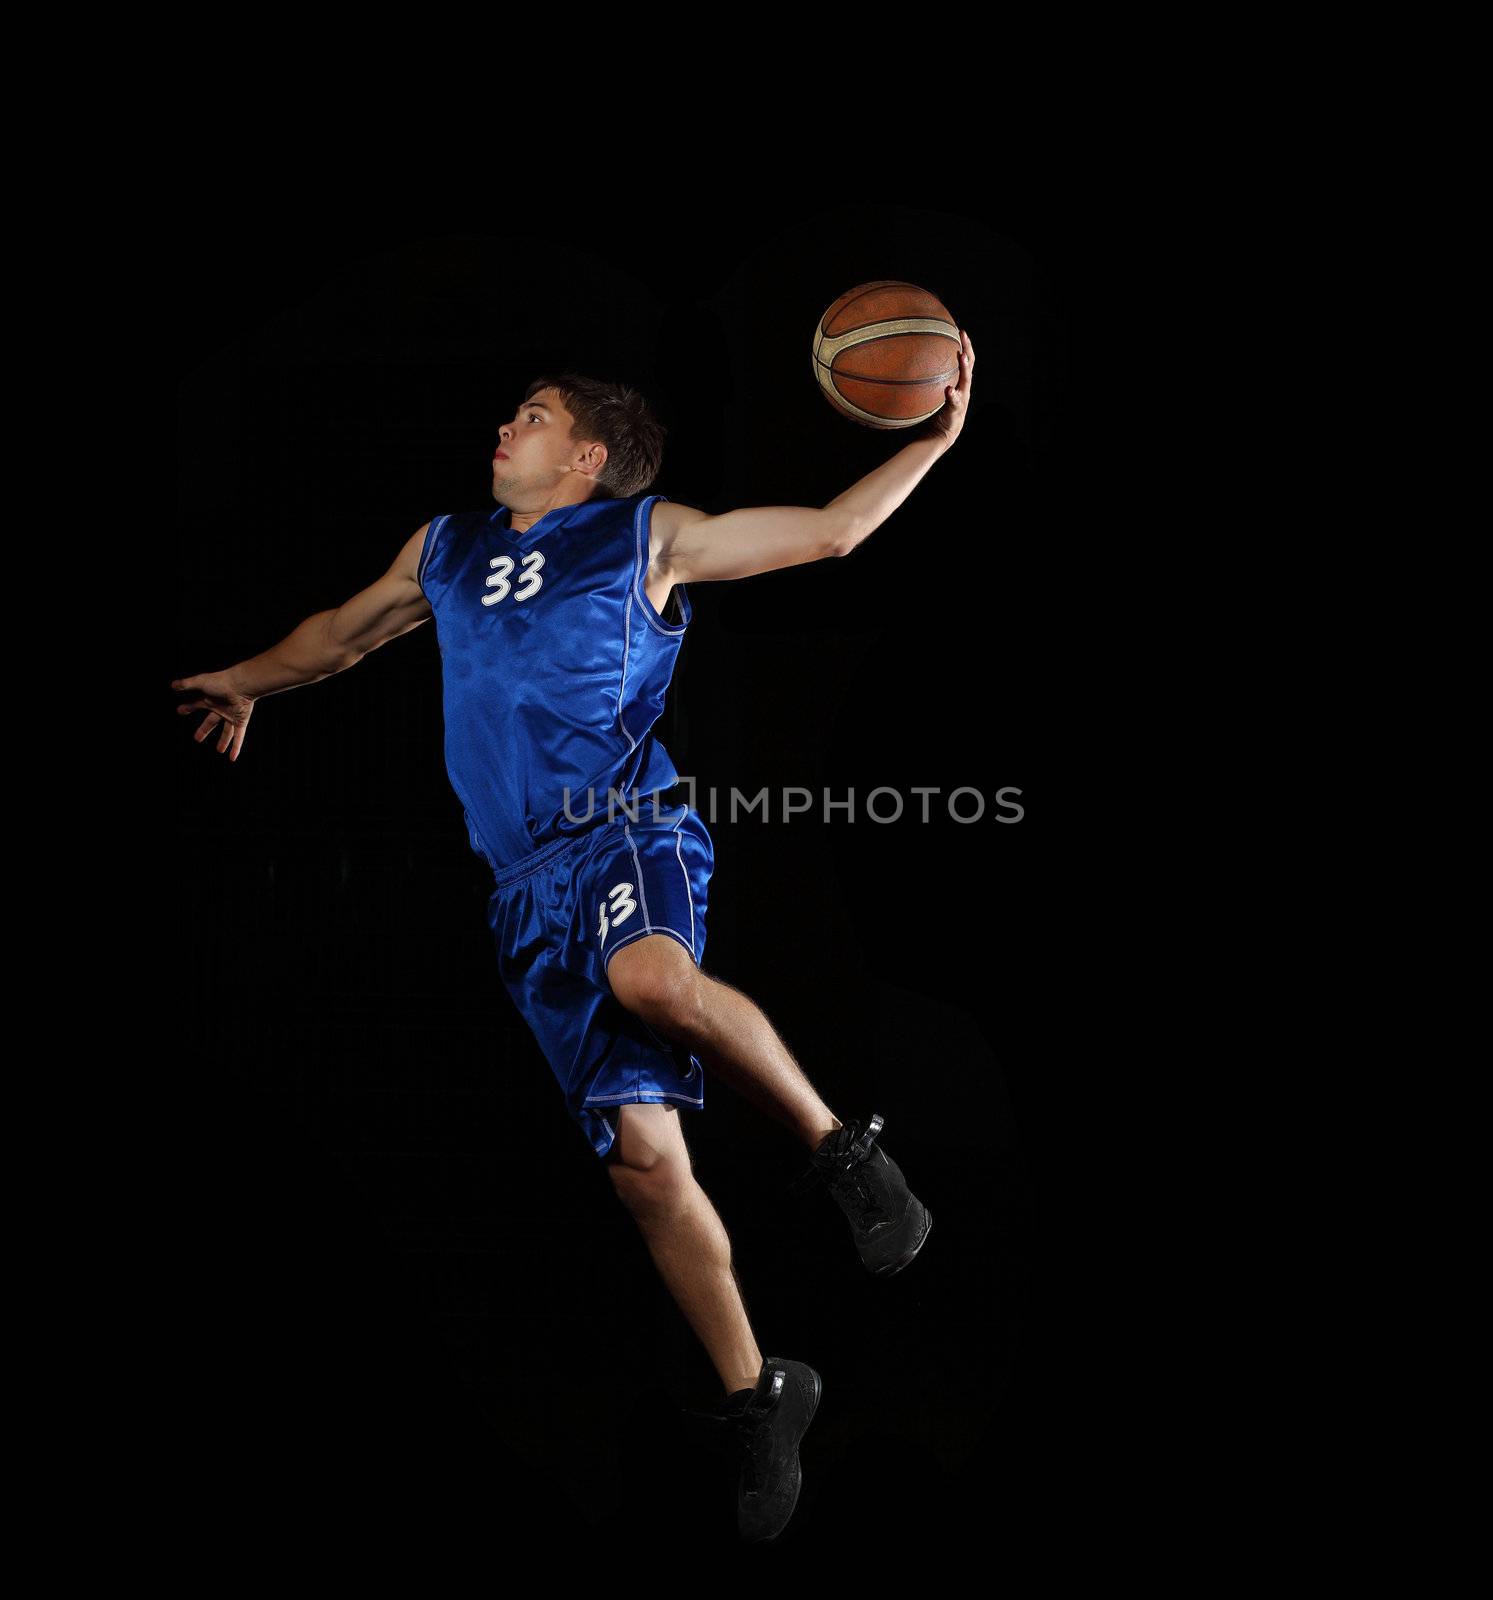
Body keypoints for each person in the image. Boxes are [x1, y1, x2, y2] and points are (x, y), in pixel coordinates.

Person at [171, 334, 976, 1541]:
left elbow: (828, 532)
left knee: (650, 973)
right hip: (521, 890)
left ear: (587, 455)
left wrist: (928, 439)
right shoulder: (441, 549)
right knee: (643, 1165)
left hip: (620, 827)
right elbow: (336, 636)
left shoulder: (645, 535)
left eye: (530, 414)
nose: (505, 428)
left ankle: (846, 1151)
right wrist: (240, 678)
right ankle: (762, 1391)